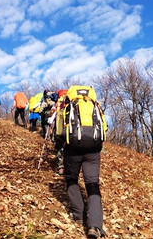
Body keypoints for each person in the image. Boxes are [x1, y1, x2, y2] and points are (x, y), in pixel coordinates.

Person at [62, 86, 107, 238]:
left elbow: (59, 132)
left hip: (72, 150)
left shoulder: (68, 107)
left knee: (71, 179)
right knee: (93, 184)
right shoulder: (94, 105)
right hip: (93, 151)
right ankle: (95, 225)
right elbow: (104, 128)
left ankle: (79, 214)